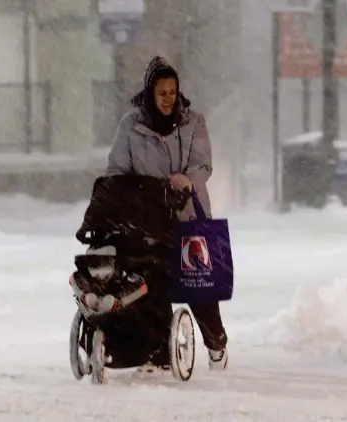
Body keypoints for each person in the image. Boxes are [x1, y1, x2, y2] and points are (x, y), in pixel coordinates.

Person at [105, 56, 229, 370]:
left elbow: (204, 164)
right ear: (150, 92)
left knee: (199, 284)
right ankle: (158, 353)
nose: (168, 98)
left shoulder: (193, 123)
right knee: (152, 283)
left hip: (188, 218)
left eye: (173, 92)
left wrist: (187, 180)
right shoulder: (130, 127)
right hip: (148, 220)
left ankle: (216, 343)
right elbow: (117, 169)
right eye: (162, 92)